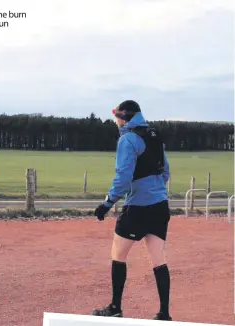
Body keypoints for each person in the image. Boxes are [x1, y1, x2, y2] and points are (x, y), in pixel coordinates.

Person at [92, 100, 172, 321]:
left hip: (138, 207)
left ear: (123, 117)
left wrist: (107, 204)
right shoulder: (154, 135)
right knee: (158, 259)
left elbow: (123, 178)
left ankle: (115, 307)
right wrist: (154, 190)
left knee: (118, 254)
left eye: (117, 117)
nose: (116, 121)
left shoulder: (127, 139)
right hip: (160, 206)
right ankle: (164, 313)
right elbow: (165, 172)